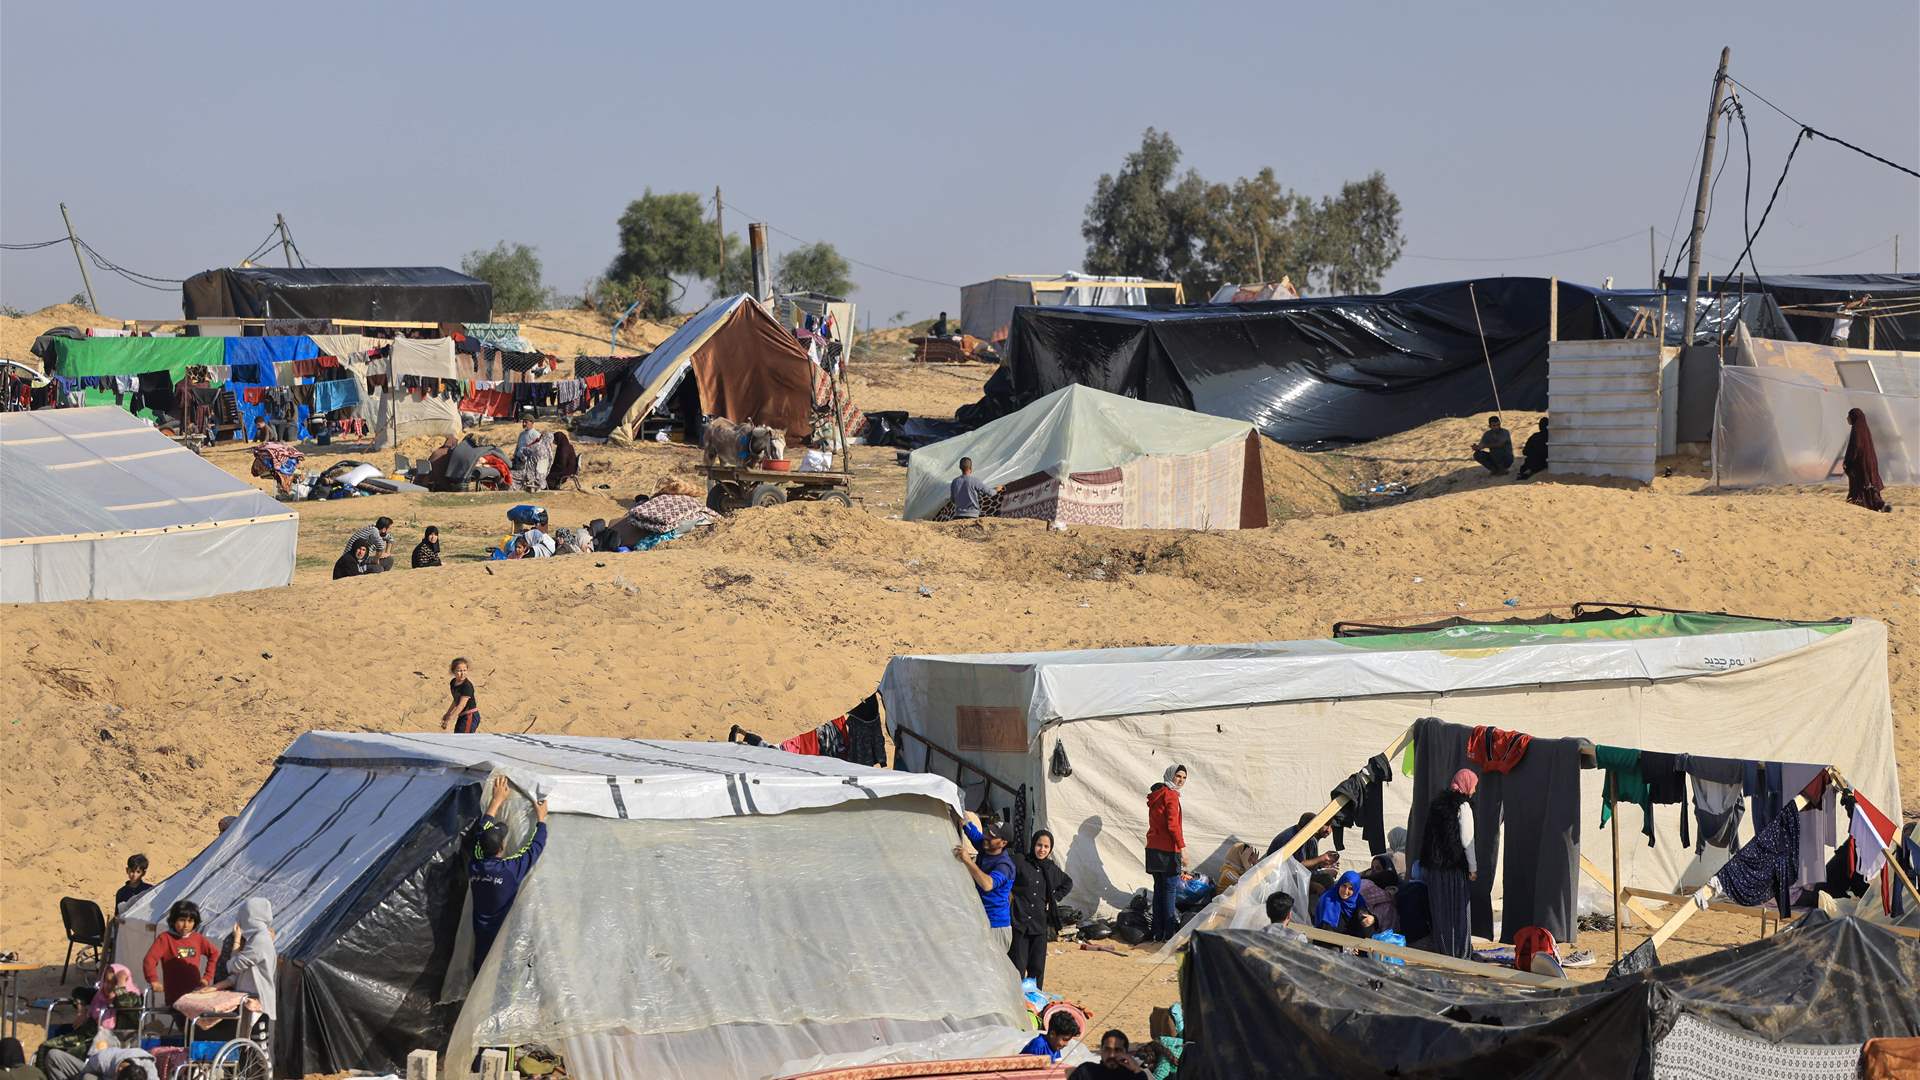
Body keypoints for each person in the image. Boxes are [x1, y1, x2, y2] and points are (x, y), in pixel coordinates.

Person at [469, 775, 549, 972]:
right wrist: (542, 819)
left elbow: (481, 831)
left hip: (481, 933)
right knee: (503, 973)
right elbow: (534, 848)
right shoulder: (509, 870)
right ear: (503, 846)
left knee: (481, 971)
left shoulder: (475, 865)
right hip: (504, 935)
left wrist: (496, 801)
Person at [1420, 768, 1479, 958]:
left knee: (1440, 909)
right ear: (1467, 785)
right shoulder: (1463, 807)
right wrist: (1473, 868)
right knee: (1457, 911)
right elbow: (1467, 840)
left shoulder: (1437, 805)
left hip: (1435, 868)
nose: (1475, 790)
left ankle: (1444, 950)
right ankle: (1459, 953)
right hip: (1453, 868)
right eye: (1474, 786)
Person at [1009, 829, 1074, 987]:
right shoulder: (1020, 861)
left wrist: (1053, 898)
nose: (1042, 849)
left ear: (1050, 849)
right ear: (1033, 845)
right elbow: (1005, 875)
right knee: (1017, 966)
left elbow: (1067, 883)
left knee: (1036, 968)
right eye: (1039, 845)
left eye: (1046, 846)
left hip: (1039, 925)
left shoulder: (1050, 869)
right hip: (1020, 922)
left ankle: (1034, 1005)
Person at [955, 816, 1017, 952]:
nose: (986, 836)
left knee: (995, 970)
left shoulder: (1004, 865)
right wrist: (959, 812)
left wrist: (968, 861)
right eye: (988, 831)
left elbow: (987, 884)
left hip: (996, 926)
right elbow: (971, 829)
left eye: (992, 836)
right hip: (980, 920)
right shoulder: (986, 846)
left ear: (1003, 843)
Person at [141, 900, 219, 1006]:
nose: (186, 925)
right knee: (183, 1021)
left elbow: (214, 953)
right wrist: (153, 980)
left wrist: (207, 977)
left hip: (195, 993)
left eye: (190, 921)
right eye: (182, 920)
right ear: (173, 920)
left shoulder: (198, 938)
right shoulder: (165, 938)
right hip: (175, 996)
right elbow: (149, 959)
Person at [210, 898, 275, 1024]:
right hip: (247, 1002)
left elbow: (234, 966)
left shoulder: (260, 940)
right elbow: (238, 975)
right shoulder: (255, 938)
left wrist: (237, 940)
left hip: (255, 1003)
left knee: (251, 1040)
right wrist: (214, 987)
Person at [1145, 765, 1187, 942]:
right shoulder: (1170, 795)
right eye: (1178, 776)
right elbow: (1172, 825)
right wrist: (1182, 848)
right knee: (1169, 892)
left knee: (1159, 890)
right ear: (1171, 775)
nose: (1181, 780)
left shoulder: (1157, 794)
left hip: (1153, 849)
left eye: (1184, 778)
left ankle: (1157, 932)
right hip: (1168, 851)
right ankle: (1168, 935)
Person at [1843, 407, 1890, 512]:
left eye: (1849, 416)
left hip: (1861, 464)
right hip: (1867, 463)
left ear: (1853, 417)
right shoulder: (1864, 429)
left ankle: (1867, 505)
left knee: (1861, 485)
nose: (1847, 418)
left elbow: (1855, 447)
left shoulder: (1857, 430)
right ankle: (1879, 505)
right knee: (1868, 484)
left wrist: (1848, 462)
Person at [1312, 870, 1377, 938]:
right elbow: (1326, 929)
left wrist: (1372, 919)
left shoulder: (1358, 900)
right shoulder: (1329, 899)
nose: (1346, 891)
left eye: (1350, 888)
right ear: (1339, 884)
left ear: (1356, 890)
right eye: (1344, 886)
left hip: (1352, 941)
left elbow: (1365, 922)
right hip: (1329, 940)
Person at [1266, 812, 1338, 870]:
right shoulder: (1291, 838)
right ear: (1307, 827)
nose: (1316, 832)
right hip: (1275, 875)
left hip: (1286, 873)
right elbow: (1297, 866)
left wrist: (1322, 863)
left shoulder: (1302, 836)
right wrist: (1321, 859)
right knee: (1319, 886)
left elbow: (1305, 863)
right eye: (1315, 828)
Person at [1069, 1030, 1147, 1079]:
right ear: (1101, 1051)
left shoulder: (1133, 1075)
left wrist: (1136, 1069)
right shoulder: (1086, 1071)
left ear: (1126, 1053)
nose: (1111, 1055)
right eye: (1107, 1049)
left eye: (1117, 1050)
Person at [443, 658, 481, 733]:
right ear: (453, 671)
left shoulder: (467, 686)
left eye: (464, 670)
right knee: (458, 735)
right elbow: (456, 700)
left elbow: (461, 705)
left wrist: (450, 719)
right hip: (462, 716)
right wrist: (448, 713)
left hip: (470, 716)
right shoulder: (453, 682)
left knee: (464, 740)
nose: (462, 673)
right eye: (459, 671)